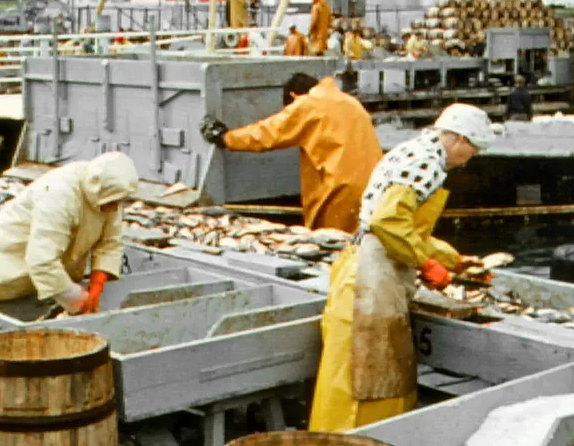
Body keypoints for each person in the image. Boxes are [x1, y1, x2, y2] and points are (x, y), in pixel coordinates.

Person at [309, 103, 494, 432]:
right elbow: (387, 224)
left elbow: (405, 229)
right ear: (460, 140)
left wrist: (453, 260)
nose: (469, 160)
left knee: (364, 382)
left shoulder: (413, 152)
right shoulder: (426, 163)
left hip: (369, 271)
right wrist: (426, 264)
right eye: (473, 150)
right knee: (361, 385)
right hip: (369, 281)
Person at [200, 73, 383, 233]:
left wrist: (225, 138)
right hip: (375, 186)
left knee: (334, 251)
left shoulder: (307, 105)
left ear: (294, 96)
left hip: (341, 192)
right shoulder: (350, 102)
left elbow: (268, 133)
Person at [0, 152, 138, 310]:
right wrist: (76, 300)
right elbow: (41, 260)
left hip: (38, 286)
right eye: (113, 203)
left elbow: (110, 243)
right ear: (98, 189)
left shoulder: (109, 195)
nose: (115, 208)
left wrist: (97, 286)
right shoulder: (59, 194)